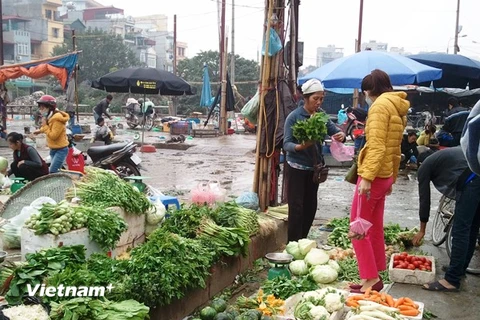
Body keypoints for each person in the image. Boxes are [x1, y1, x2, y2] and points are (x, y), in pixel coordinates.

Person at [348, 69, 409, 293]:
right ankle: (373, 277)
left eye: (365, 91)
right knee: (372, 227)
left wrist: (366, 177)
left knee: (357, 227)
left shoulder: (379, 108)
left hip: (373, 177)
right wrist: (391, 177)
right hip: (384, 176)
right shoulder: (396, 107)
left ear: (369, 90)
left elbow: (377, 146)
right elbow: (395, 148)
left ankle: (371, 278)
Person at [283, 79, 346, 242]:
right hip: (296, 167)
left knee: (310, 207)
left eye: (321, 99)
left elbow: (335, 131)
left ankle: (303, 240)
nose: (318, 102)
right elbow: (287, 143)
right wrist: (301, 147)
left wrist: (342, 135)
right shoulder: (294, 117)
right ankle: (293, 244)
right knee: (296, 208)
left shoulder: (321, 116)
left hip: (314, 169)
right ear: (305, 98)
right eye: (315, 99)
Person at [33, 95, 70, 174]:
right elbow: (49, 128)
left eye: (42, 107)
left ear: (50, 107)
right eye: (40, 107)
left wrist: (44, 126)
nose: (40, 110)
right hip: (53, 149)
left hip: (61, 150)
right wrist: (39, 131)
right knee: (55, 171)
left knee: (53, 171)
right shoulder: (50, 117)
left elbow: (53, 136)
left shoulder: (57, 119)